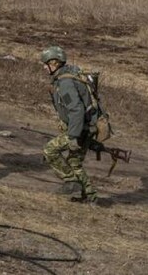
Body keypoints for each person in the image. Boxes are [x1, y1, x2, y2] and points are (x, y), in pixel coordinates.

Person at [40, 46, 98, 204]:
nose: (44, 67)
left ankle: (70, 182)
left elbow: (76, 110)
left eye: (46, 64)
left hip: (79, 130)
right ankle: (91, 197)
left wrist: (72, 137)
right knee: (74, 162)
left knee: (49, 150)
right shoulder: (70, 75)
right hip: (85, 128)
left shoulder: (65, 83)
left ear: (55, 63)